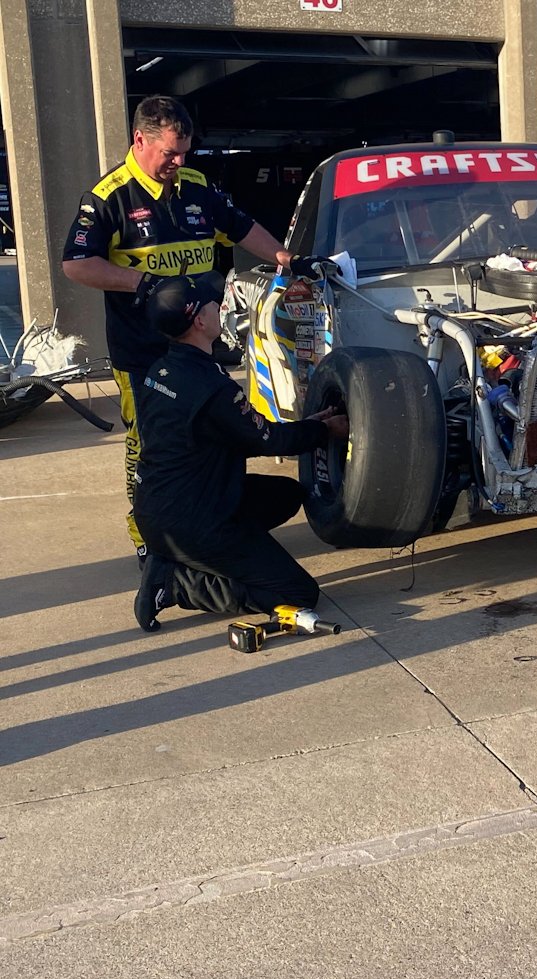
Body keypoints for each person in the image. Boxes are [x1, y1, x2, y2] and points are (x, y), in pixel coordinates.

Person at [61, 94, 332, 563]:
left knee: (215, 431)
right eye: (170, 152)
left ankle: (212, 517)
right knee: (146, 443)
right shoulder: (109, 197)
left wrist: (286, 257)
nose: (178, 161)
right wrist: (141, 282)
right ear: (139, 140)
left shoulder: (197, 186)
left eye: (185, 151)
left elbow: (242, 227)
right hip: (142, 351)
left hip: (201, 345)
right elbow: (76, 264)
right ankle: (148, 535)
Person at [131, 274, 349, 633]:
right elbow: (269, 441)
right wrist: (324, 429)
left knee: (285, 495)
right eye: (213, 303)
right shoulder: (210, 388)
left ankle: (219, 556)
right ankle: (175, 584)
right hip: (191, 521)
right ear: (200, 321)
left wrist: (309, 424)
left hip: (162, 506)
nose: (221, 307)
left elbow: (237, 434)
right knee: (298, 592)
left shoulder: (162, 370)